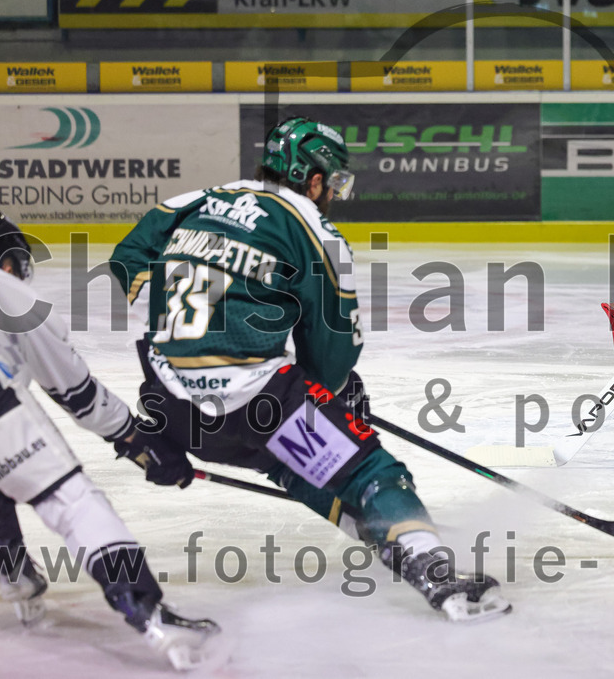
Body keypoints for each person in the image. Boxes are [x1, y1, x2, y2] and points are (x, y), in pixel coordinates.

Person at [107, 117, 511, 623]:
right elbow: (332, 348)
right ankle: (435, 572)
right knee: (369, 471)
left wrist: (179, 321)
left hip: (173, 409)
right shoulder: (314, 229)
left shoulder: (196, 200)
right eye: (334, 182)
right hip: (256, 404)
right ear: (314, 179)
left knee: (288, 462)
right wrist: (330, 395)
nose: (334, 194)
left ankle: (388, 538)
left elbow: (127, 259)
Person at [0, 210, 222, 670]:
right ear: (5, 263)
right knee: (72, 501)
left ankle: (16, 577)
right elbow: (76, 393)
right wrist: (135, 437)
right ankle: (147, 610)